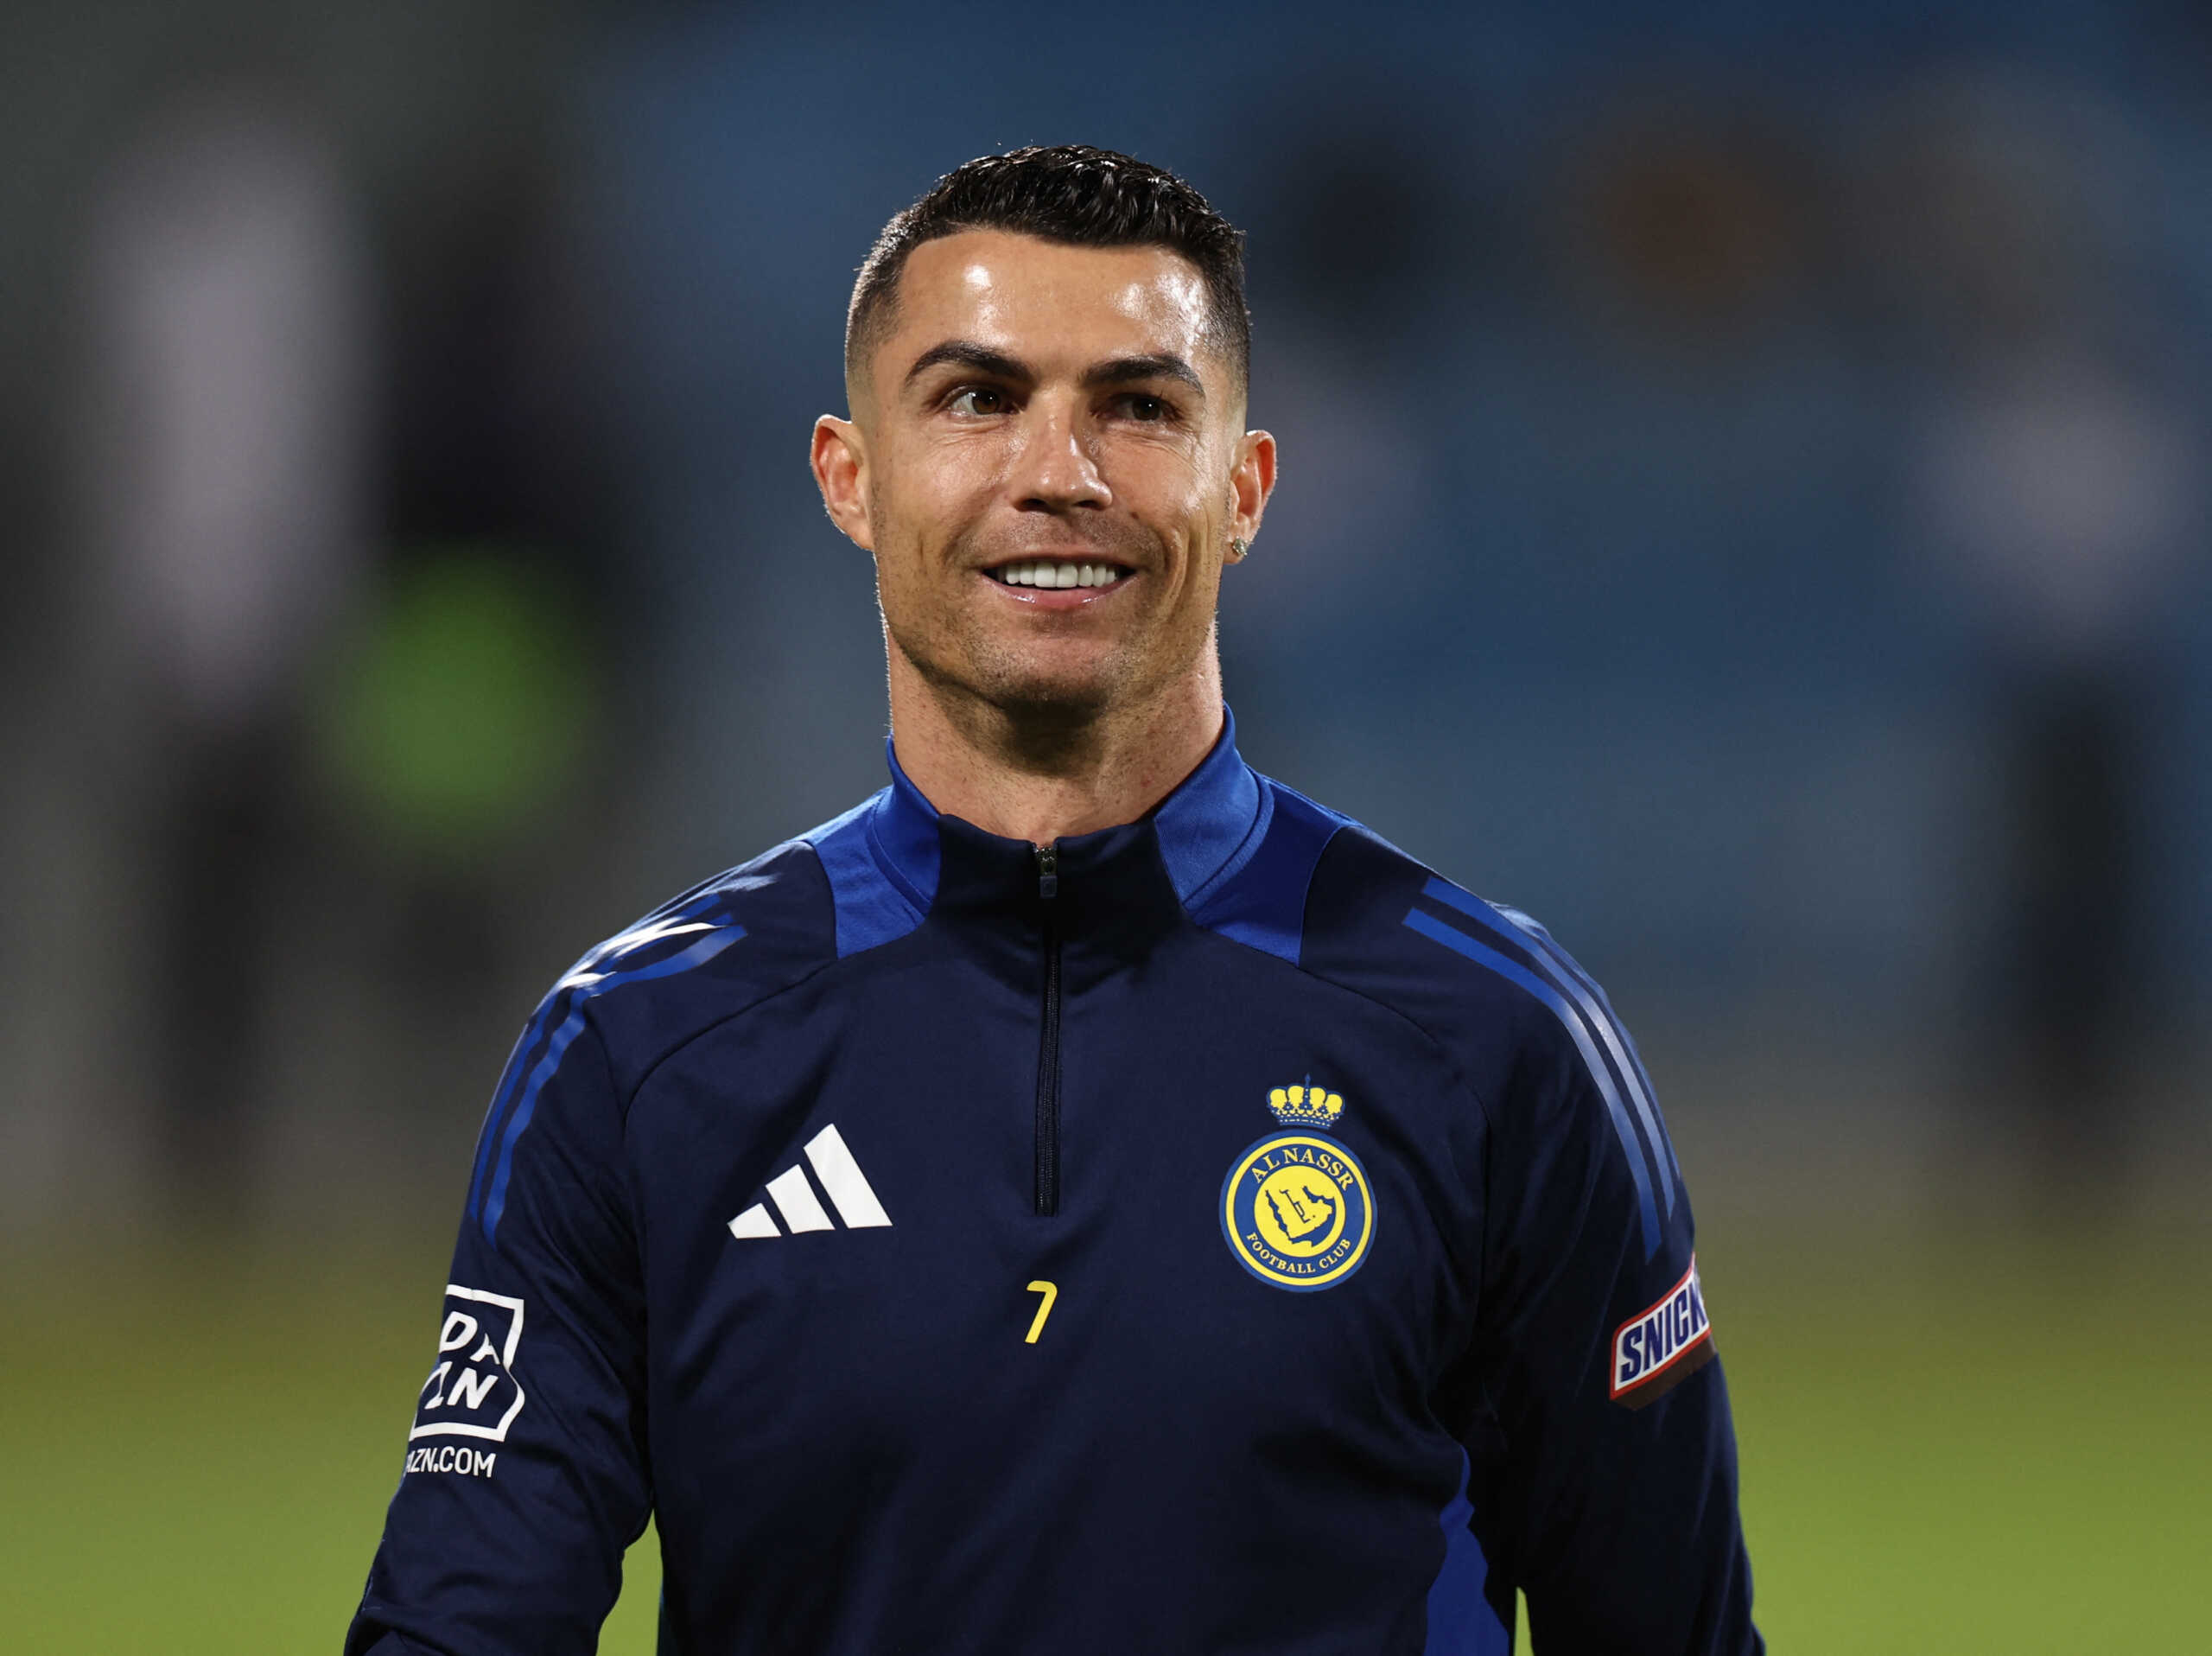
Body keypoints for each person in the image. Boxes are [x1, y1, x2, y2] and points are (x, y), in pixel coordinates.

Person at [347, 144, 1761, 1655]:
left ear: (1246, 489)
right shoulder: (639, 1055)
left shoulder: (1500, 1042)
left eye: (1140, 409)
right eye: (977, 399)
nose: (1059, 473)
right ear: (850, 474)